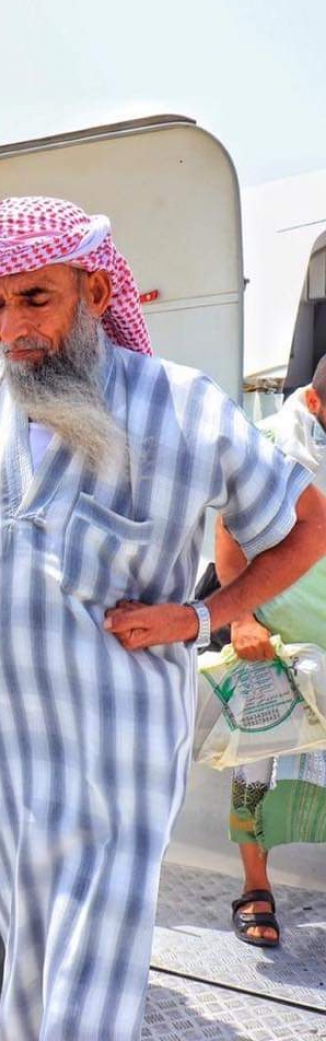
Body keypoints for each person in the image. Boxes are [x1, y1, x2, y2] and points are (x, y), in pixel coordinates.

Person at [0, 197, 326, 1041]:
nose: (15, 327)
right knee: (31, 989)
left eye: (36, 298)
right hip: (11, 767)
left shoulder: (185, 406)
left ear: (97, 293)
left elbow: (307, 526)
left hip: (118, 767)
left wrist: (201, 616)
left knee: (85, 1011)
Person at [216, 353, 326, 948]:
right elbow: (229, 531)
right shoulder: (268, 444)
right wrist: (242, 619)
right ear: (315, 401)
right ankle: (255, 887)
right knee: (255, 763)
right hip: (275, 639)